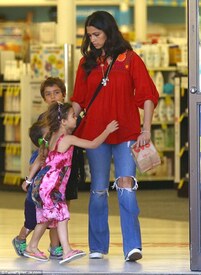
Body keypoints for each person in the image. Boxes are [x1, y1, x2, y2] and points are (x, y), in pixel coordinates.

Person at [71, 11, 159, 262]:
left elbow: (148, 95)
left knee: (126, 186)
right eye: (89, 35)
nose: (93, 39)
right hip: (94, 135)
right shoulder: (85, 63)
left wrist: (146, 129)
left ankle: (132, 246)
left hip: (127, 132)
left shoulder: (130, 59)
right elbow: (78, 99)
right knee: (98, 189)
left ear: (109, 31)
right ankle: (98, 245)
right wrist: (63, 128)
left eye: (96, 34)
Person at [23, 102, 119, 264]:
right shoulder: (68, 139)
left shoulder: (50, 137)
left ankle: (53, 248)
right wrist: (107, 131)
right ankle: (45, 248)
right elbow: (93, 144)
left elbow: (40, 161)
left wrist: (29, 180)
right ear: (63, 121)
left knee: (55, 216)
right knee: (55, 216)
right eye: (73, 116)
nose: (76, 118)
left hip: (46, 184)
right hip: (51, 185)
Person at [12, 77, 75, 260]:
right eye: (48, 94)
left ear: (63, 93)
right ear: (44, 98)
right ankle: (23, 238)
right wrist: (31, 176)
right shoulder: (45, 119)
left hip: (62, 169)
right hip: (47, 166)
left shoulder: (68, 114)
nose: (53, 97)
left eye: (56, 92)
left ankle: (56, 246)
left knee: (60, 206)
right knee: (38, 206)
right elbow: (42, 148)